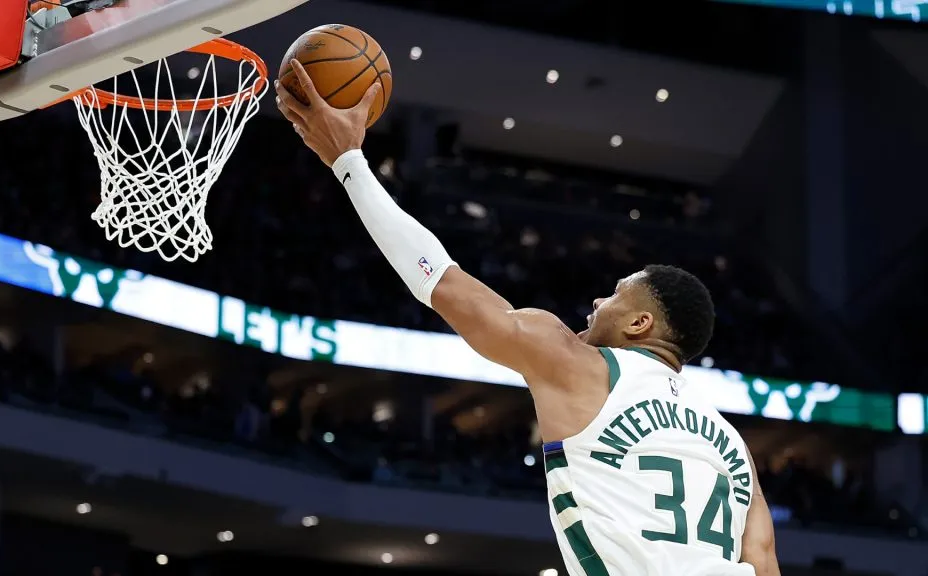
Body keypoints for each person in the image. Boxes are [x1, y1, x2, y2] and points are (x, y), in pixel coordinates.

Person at [275, 60, 780, 576]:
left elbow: (439, 281)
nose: (597, 304)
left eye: (614, 294)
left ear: (639, 324)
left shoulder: (579, 365)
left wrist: (349, 164)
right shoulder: (733, 445)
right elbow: (763, 564)